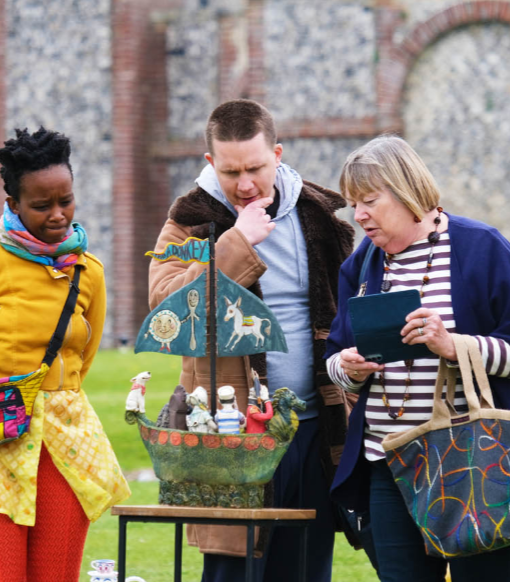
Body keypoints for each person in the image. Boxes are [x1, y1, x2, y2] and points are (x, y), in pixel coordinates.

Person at [149, 99, 354, 582]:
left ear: (277, 155)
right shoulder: (189, 220)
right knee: (233, 571)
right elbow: (166, 313)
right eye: (231, 171)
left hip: (314, 427)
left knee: (306, 571)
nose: (244, 184)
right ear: (210, 163)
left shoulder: (318, 214)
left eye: (256, 169)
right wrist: (237, 243)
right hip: (232, 435)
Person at [0, 127, 131, 582]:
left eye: (66, 200)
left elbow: (84, 358)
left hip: (66, 443)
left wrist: (51, 396)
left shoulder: (89, 272)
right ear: (14, 203)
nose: (58, 214)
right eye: (42, 205)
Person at [325, 135, 510, 581]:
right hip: (388, 463)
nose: (359, 215)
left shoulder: (483, 248)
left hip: (472, 460)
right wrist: (348, 368)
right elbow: (333, 355)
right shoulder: (361, 264)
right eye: (354, 204)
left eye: (369, 201)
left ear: (407, 192)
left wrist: (455, 345)